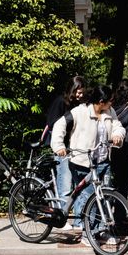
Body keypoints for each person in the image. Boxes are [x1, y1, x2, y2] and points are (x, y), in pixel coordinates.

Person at [50, 85, 126, 242]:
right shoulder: (80, 112)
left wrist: (118, 135)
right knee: (89, 197)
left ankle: (104, 230)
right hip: (83, 162)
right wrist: (59, 146)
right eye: (109, 102)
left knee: (105, 196)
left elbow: (118, 126)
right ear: (100, 101)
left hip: (103, 161)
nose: (111, 104)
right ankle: (88, 232)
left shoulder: (109, 112)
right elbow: (59, 125)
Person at [43, 75, 87, 229]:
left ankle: (78, 220)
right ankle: (62, 217)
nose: (79, 95)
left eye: (82, 92)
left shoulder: (80, 104)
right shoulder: (61, 102)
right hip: (63, 148)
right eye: (77, 92)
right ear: (71, 90)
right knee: (65, 184)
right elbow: (53, 123)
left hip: (75, 148)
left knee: (77, 185)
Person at [110, 79, 128, 199]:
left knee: (111, 184)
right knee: (123, 185)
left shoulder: (110, 108)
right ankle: (120, 215)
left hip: (109, 150)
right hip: (124, 151)